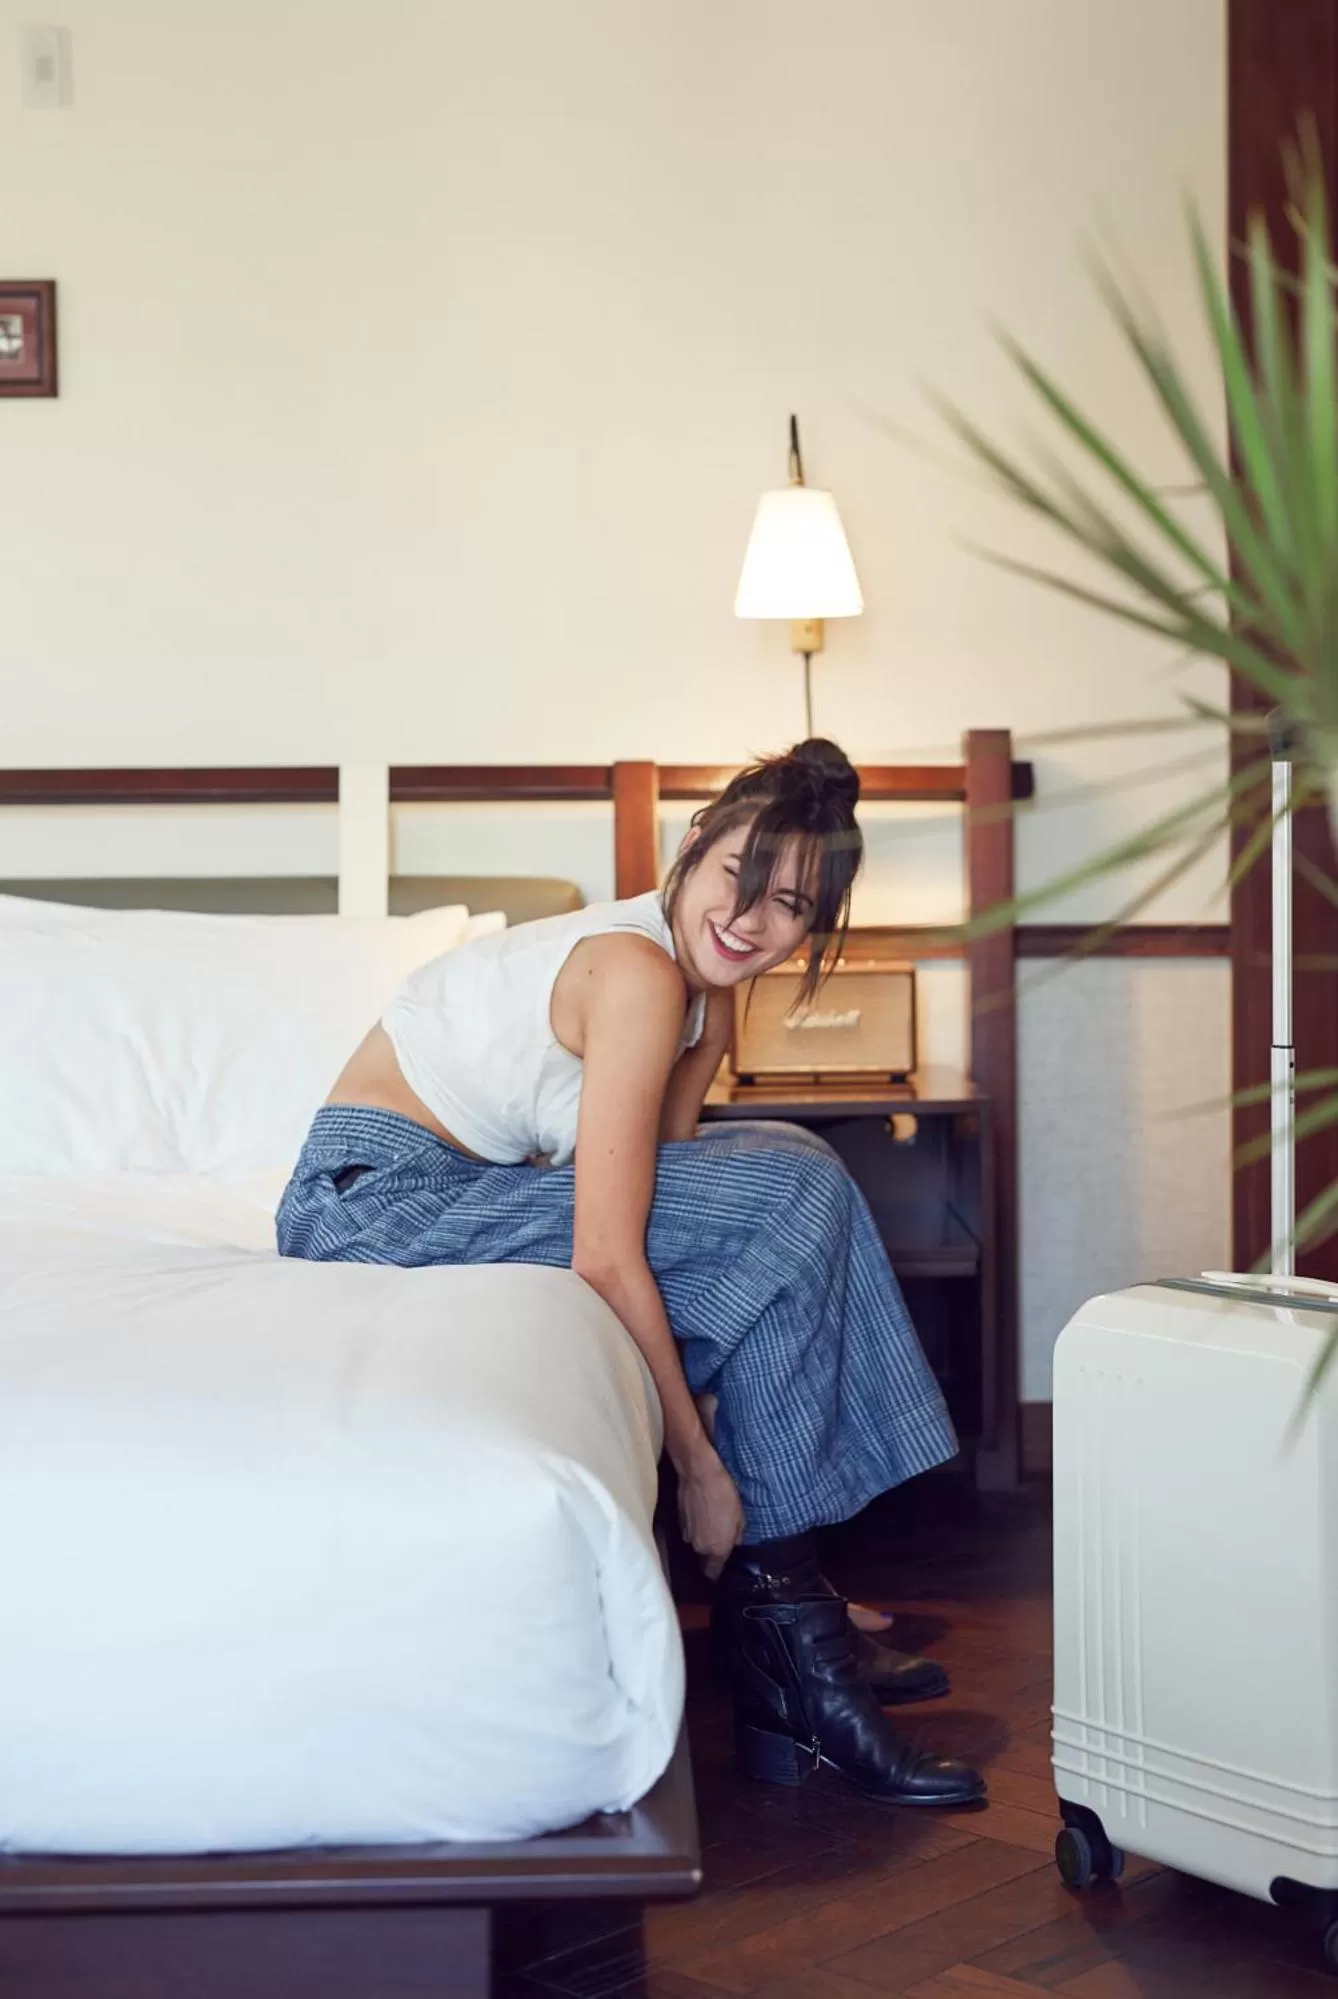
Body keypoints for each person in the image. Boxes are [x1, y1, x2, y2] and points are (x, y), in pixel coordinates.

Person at [276, 739, 985, 1807]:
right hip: (373, 1206)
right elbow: (607, 1256)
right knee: (798, 1182)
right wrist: (696, 1464)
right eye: (738, 877)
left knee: (787, 1174)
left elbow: (671, 1220)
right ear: (693, 848)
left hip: (467, 1195)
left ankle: (788, 1612)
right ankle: (792, 1628)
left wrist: (700, 1396)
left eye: (788, 904)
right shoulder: (640, 969)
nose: (750, 919)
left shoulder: (706, 995)